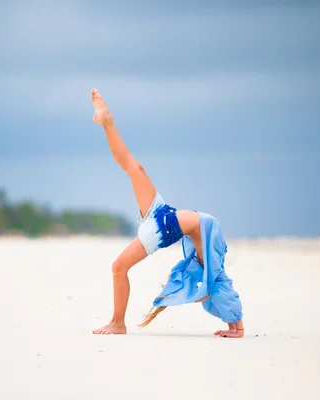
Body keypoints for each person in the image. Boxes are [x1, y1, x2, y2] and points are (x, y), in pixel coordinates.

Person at [90, 88, 244, 338]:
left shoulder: (207, 249)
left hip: (165, 226)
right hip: (164, 215)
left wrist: (238, 327)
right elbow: (216, 276)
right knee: (133, 166)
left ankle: (118, 323)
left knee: (119, 267)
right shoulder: (206, 246)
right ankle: (107, 121)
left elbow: (218, 280)